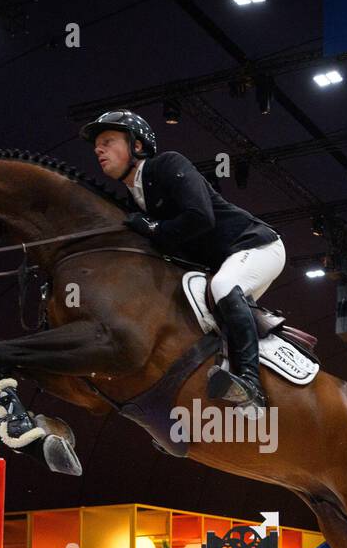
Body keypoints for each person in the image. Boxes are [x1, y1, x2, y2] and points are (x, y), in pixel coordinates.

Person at [82, 109, 286, 414]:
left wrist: (154, 229)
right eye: (97, 145)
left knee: (224, 286)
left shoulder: (167, 165)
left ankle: (251, 386)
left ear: (137, 145)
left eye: (108, 141)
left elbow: (200, 217)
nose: (98, 149)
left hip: (256, 245)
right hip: (223, 260)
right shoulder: (132, 199)